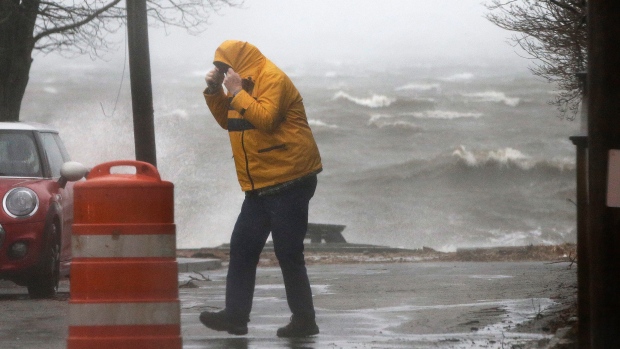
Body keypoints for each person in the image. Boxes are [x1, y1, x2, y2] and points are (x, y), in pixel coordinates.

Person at [199, 40, 323, 338]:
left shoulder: (272, 78)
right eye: (218, 68)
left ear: (238, 63)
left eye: (223, 67)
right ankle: (235, 317)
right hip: (259, 184)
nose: (221, 71)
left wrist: (237, 91)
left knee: (288, 252)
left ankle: (305, 320)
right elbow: (230, 122)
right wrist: (216, 91)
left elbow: (266, 119)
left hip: (290, 178)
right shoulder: (243, 84)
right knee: (242, 248)